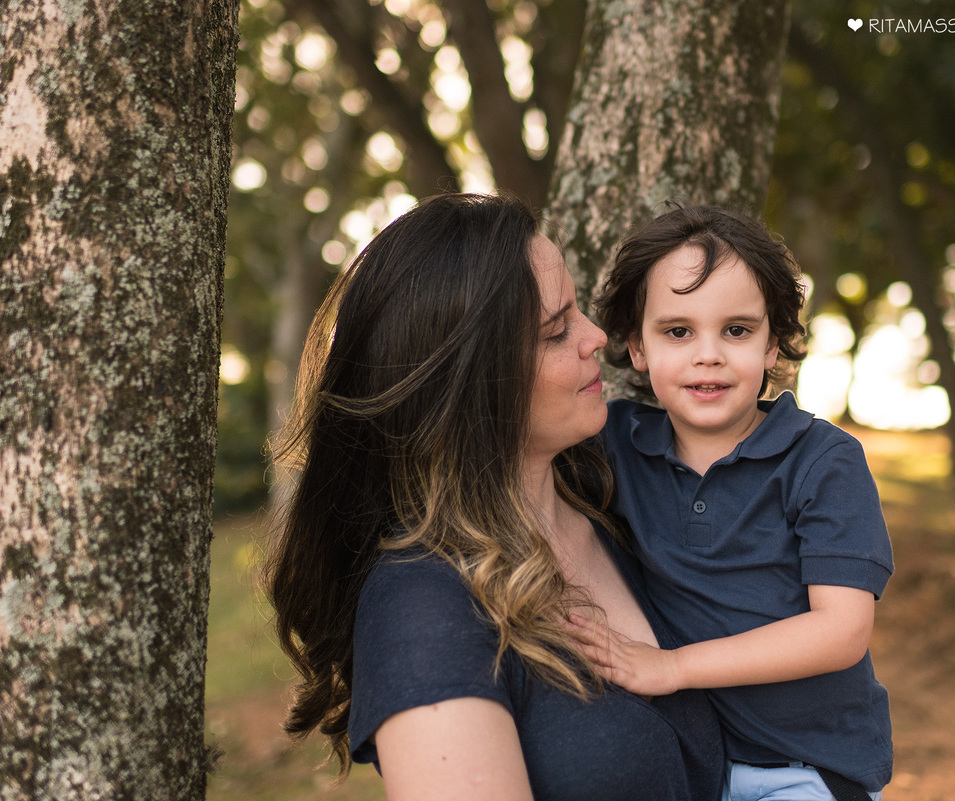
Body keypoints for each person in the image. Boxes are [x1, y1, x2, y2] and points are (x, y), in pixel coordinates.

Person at [264, 193, 723, 801]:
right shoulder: (421, 607)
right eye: (555, 330)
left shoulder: (620, 494)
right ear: (472, 385)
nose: (594, 338)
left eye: (577, 310)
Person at [572, 205, 894, 801]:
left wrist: (674, 667)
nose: (709, 354)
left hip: (809, 769)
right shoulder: (614, 445)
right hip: (693, 765)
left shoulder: (824, 462)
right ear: (636, 347)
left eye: (737, 331)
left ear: (774, 344)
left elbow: (842, 630)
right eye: (678, 332)